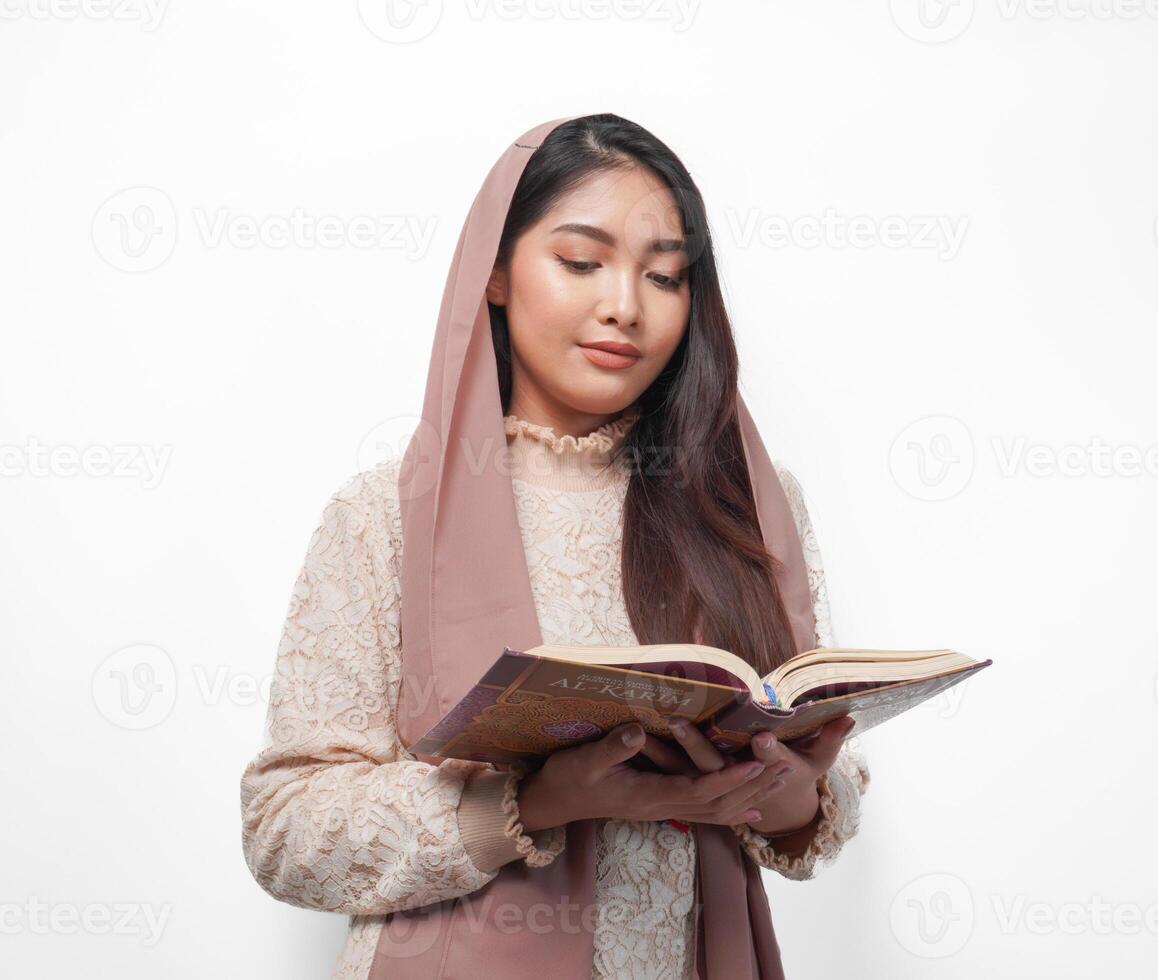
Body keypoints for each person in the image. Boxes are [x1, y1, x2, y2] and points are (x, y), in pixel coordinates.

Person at [239, 113, 870, 980]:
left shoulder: (745, 506)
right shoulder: (387, 513)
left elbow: (814, 788)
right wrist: (535, 800)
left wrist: (793, 795)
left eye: (666, 276)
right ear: (494, 274)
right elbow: (286, 830)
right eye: (581, 262)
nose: (625, 304)